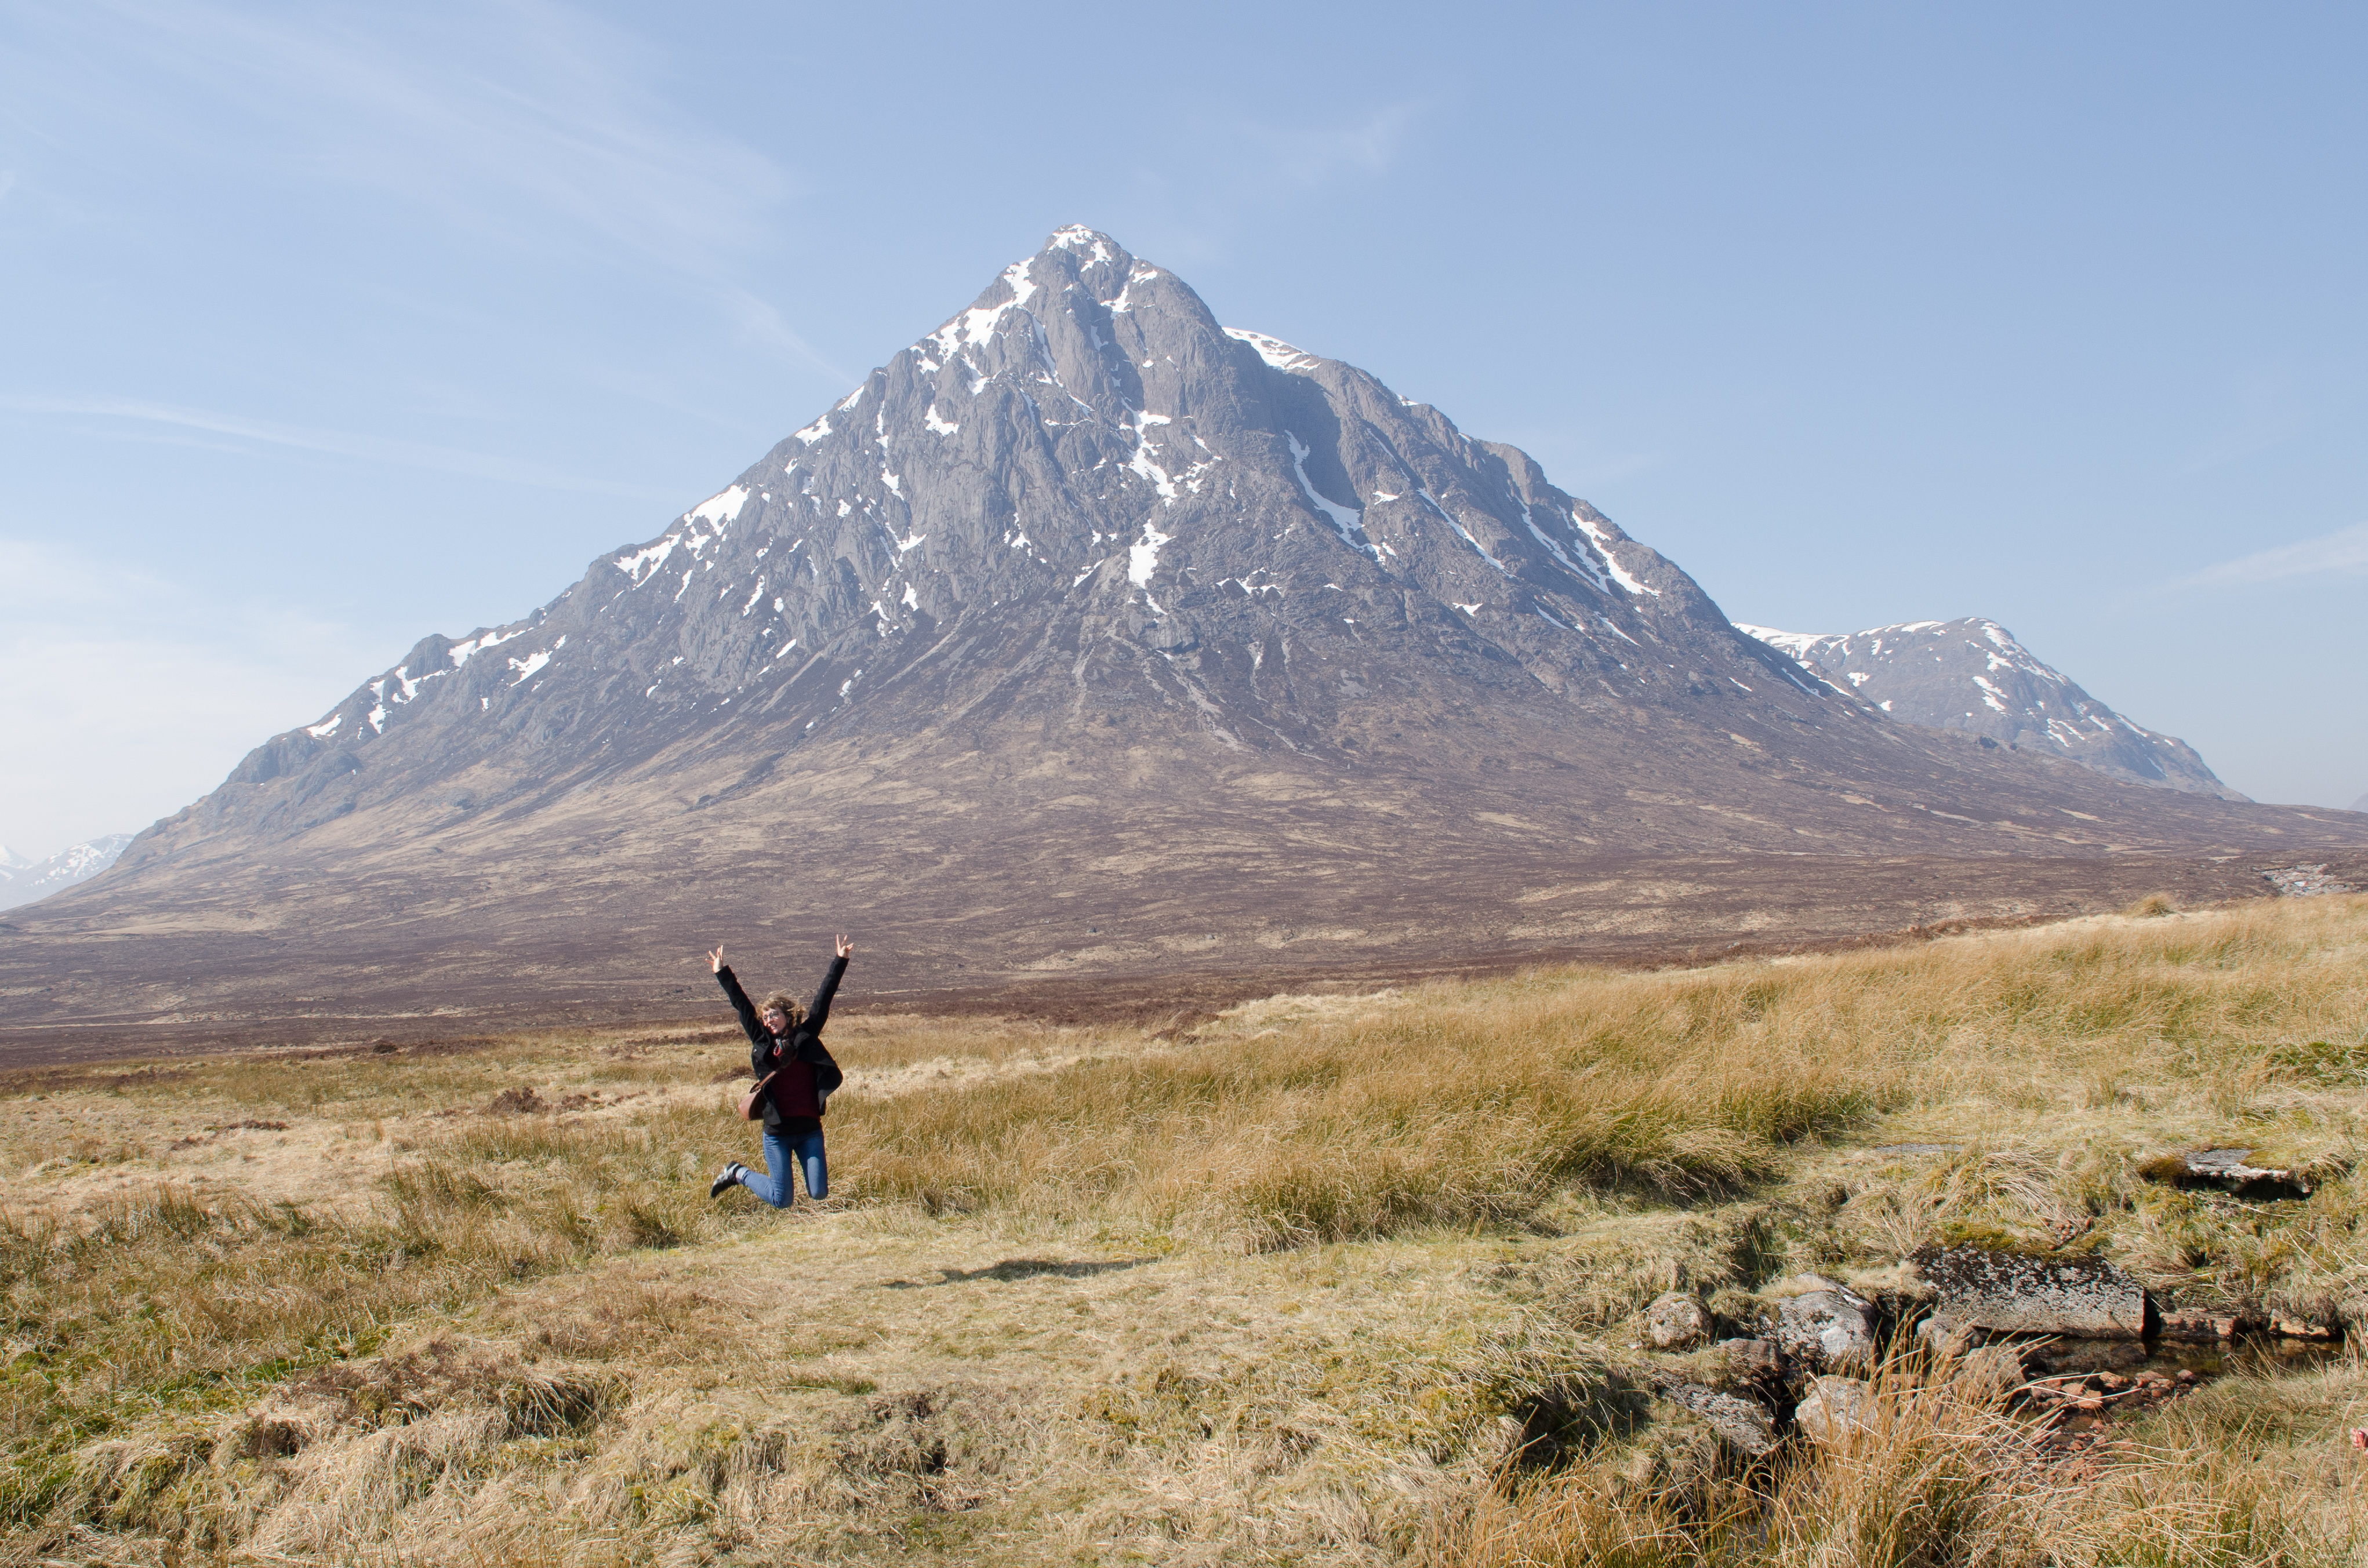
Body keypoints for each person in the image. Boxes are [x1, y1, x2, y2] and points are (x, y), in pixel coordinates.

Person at [706, 935, 851, 1206]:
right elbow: (742, 1005)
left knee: (819, 1192)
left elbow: (824, 999)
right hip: (777, 1133)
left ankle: (737, 1172)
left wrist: (840, 960)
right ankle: (737, 1173)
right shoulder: (762, 1043)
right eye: (766, 1016)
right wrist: (722, 972)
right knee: (781, 1199)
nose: (769, 1020)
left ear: (788, 1015)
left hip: (809, 1130)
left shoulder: (805, 1036)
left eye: (774, 1014)